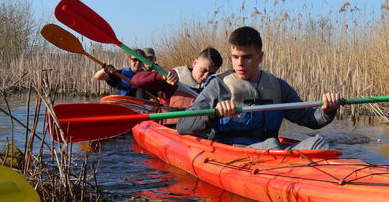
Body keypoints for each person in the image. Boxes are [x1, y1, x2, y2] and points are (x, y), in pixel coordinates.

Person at [177, 27, 340, 150]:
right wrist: (214, 113)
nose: (240, 63)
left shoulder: (278, 86)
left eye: (247, 57)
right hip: (232, 152)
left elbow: (310, 119)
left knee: (318, 143)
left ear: (260, 57)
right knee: (271, 144)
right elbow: (183, 126)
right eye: (235, 57)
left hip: (271, 152)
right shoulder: (218, 86)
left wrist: (328, 110)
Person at [132, 47, 223, 109]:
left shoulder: (214, 86)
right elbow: (136, 81)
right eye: (203, 70)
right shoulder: (173, 77)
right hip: (170, 128)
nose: (206, 76)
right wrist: (162, 76)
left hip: (200, 130)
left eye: (211, 73)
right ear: (194, 63)